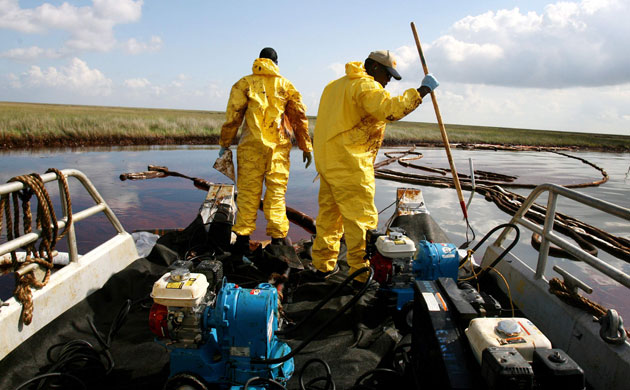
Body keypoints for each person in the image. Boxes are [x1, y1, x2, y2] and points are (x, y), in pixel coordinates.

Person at [310, 50, 439, 287]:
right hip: (351, 166)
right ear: (372, 66)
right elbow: (390, 109)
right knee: (360, 222)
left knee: (329, 218)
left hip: (328, 164)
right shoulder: (365, 86)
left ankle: (323, 266)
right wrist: (423, 91)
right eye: (387, 74)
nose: (388, 80)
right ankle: (361, 275)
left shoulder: (334, 86)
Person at [219, 47, 313, 256]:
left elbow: (233, 116)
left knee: (247, 195)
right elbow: (299, 117)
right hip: (278, 152)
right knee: (276, 196)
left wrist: (225, 143)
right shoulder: (286, 85)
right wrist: (306, 146)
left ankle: (242, 241)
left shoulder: (244, 83)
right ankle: (279, 242)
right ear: (276, 62)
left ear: (259, 60)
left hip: (250, 150)